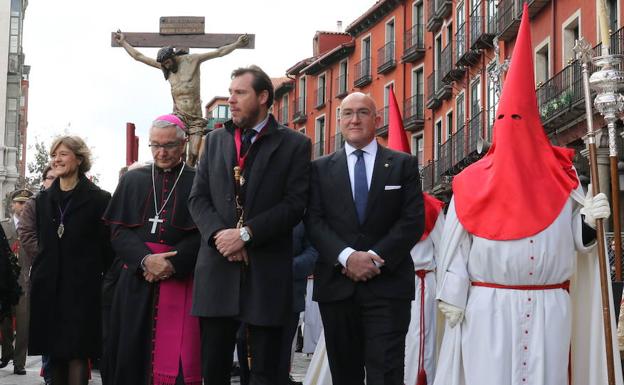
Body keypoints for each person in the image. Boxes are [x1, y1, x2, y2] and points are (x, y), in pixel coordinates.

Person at [433, 5, 620, 385]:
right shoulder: (470, 181)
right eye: (503, 121)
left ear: (534, 126)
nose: (510, 128)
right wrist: (453, 295)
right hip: (489, 310)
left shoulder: (564, 176)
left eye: (517, 120)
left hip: (551, 308)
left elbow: (579, 244)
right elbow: (455, 249)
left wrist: (590, 219)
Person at [189, 64, 311, 385]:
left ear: (263, 97)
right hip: (217, 274)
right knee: (212, 372)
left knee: (263, 375)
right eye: (230, 93)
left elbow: (295, 205)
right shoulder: (214, 142)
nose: (232, 100)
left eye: (239, 93)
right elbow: (197, 199)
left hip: (266, 277)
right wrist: (220, 237)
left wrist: (246, 235)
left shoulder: (294, 145)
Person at [305, 92, 424, 385]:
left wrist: (373, 259)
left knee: (387, 372)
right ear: (339, 121)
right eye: (347, 113)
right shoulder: (319, 169)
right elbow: (313, 221)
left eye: (362, 112)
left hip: (388, 285)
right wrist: (346, 257)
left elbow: (411, 221)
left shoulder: (403, 164)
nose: (354, 119)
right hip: (337, 286)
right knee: (345, 374)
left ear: (377, 119)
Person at [103, 114, 201, 385]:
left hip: (180, 278)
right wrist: (146, 260)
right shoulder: (133, 180)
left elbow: (204, 232)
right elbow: (118, 230)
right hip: (136, 279)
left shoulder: (198, 180)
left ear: (183, 145)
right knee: (131, 352)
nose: (161, 152)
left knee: (177, 359)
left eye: (168, 145)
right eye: (155, 145)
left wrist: (171, 263)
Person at [28, 136, 113, 385]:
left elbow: (107, 247)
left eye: (63, 154)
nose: (56, 159)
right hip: (49, 288)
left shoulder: (99, 199)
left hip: (82, 288)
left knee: (77, 351)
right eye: (54, 154)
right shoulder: (43, 200)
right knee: (54, 352)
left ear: (79, 158)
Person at [114, 31, 249, 165]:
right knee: (177, 152)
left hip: (195, 117)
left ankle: (189, 181)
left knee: (194, 154)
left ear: (173, 57)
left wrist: (237, 44)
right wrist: (123, 42)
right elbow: (139, 56)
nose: (166, 66)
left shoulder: (192, 60)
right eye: (164, 64)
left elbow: (219, 52)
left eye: (168, 62)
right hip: (179, 116)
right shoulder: (164, 68)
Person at [237, 221, 318, 385]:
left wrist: (285, 268)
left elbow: (313, 251)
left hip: (289, 297)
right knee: (247, 352)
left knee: (280, 360)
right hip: (251, 295)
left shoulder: (302, 216)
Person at [18, 165, 56, 384]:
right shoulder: (37, 203)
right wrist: (45, 257)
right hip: (44, 273)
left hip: (72, 277)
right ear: (43, 180)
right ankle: (49, 373)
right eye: (49, 177)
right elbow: (26, 233)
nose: (53, 180)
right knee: (47, 325)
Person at [404, 193, 444, 385]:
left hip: (420, 282)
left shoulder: (428, 206)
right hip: (385, 281)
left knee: (419, 340)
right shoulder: (379, 197)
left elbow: (443, 249)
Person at [0, 188, 33, 375]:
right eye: (19, 203)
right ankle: (6, 354)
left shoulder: (34, 227)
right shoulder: (3, 226)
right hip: (5, 282)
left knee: (23, 324)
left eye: (26, 203)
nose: (23, 207)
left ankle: (19, 362)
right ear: (12, 205)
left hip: (24, 281)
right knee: (4, 321)